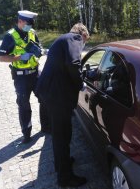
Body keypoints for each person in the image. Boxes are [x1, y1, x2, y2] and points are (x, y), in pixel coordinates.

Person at [35, 23, 89, 187]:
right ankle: (65, 178)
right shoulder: (74, 38)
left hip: (51, 93)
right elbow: (73, 63)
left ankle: (62, 163)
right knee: (61, 136)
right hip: (56, 97)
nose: (83, 44)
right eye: (85, 40)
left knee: (63, 133)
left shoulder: (63, 40)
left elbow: (64, 66)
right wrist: (81, 83)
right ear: (83, 34)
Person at [0, 10, 46, 144]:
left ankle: (46, 127)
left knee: (45, 98)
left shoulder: (32, 32)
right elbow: (1, 58)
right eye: (27, 24)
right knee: (24, 106)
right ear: (20, 21)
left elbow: (38, 45)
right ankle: (27, 134)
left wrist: (40, 51)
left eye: (31, 24)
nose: (29, 27)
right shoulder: (9, 36)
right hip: (21, 78)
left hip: (35, 73)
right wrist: (20, 57)